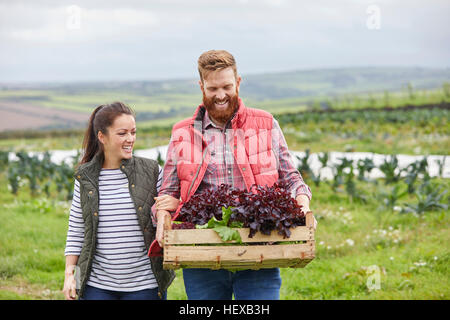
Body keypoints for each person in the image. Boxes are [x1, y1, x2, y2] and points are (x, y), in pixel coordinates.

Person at [154, 50, 316, 300]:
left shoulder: (266, 123)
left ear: (238, 82)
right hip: (202, 254)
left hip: (260, 250)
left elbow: (291, 178)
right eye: (212, 88)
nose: (220, 95)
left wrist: (303, 206)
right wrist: (163, 215)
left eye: (227, 86)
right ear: (201, 87)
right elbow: (167, 192)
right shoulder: (183, 133)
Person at [63, 102, 179, 300]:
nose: (130, 139)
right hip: (96, 285)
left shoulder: (151, 171)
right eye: (122, 133)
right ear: (102, 137)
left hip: (145, 284)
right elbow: (77, 230)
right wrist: (69, 276)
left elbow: (168, 211)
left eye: (133, 132)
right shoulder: (86, 177)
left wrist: (176, 204)